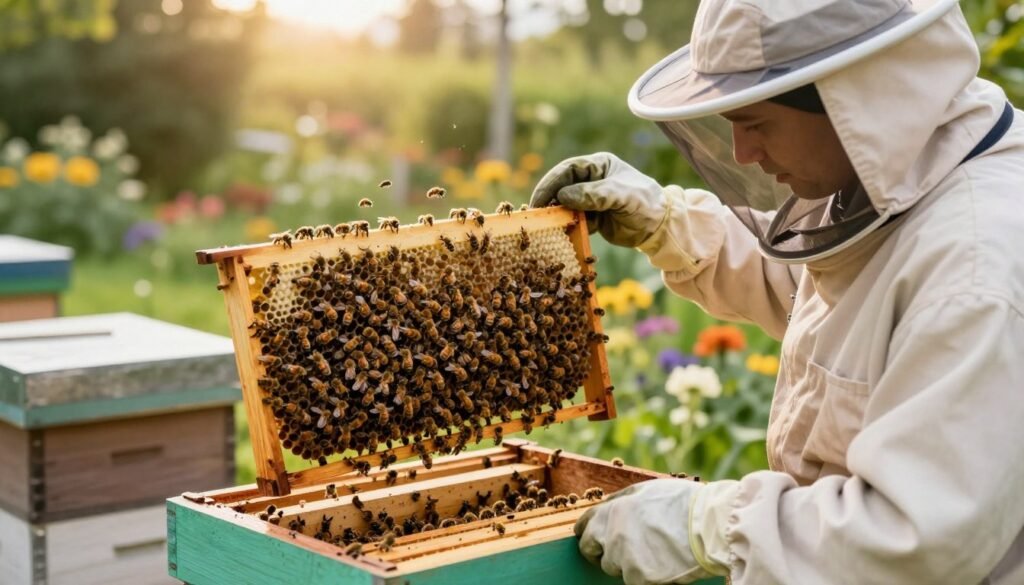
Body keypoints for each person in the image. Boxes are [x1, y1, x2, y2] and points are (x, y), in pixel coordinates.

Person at [530, 0, 1024, 583]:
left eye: (757, 123)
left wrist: (708, 527)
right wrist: (669, 223)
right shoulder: (901, 182)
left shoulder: (976, 270)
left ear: (856, 103)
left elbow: (916, 537)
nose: (743, 153)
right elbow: (829, 293)